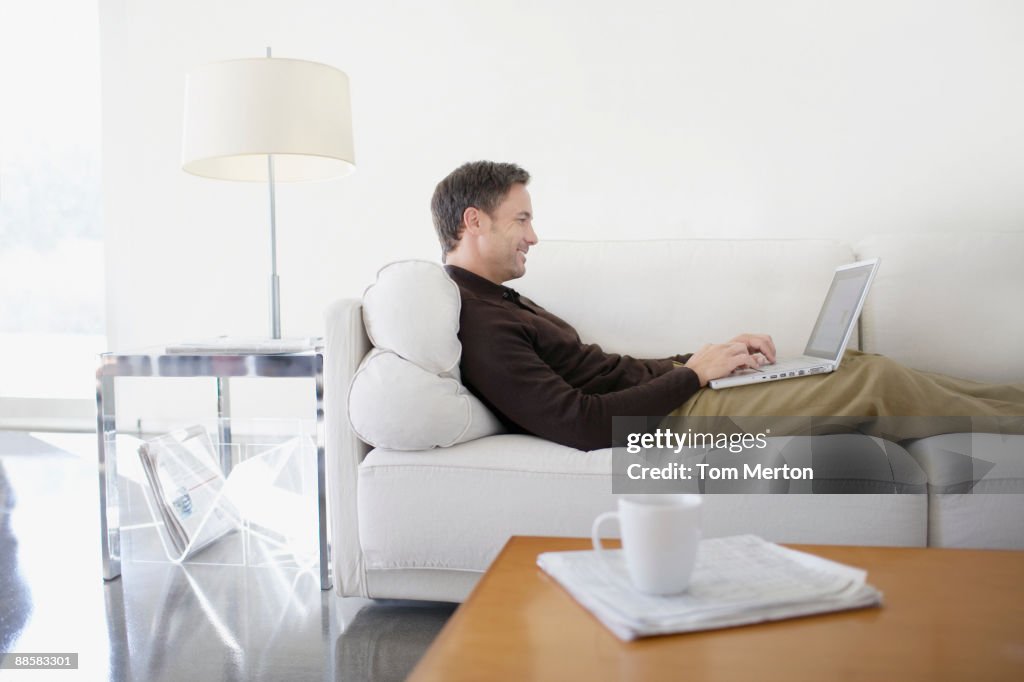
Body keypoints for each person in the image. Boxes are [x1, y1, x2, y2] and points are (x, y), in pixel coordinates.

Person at [431, 160, 1024, 451]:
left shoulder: (501, 302)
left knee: (862, 367)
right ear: (474, 221)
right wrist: (693, 376)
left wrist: (708, 357)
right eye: (523, 219)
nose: (533, 235)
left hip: (674, 400)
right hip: (664, 426)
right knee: (876, 383)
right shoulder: (479, 320)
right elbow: (580, 423)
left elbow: (606, 371)